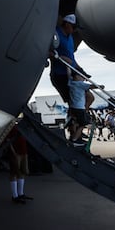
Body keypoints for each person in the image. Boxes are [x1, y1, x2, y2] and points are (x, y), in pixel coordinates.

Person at [50, 14, 94, 143]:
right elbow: (49, 52)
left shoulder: (70, 38)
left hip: (72, 74)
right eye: (74, 27)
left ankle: (78, 122)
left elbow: (72, 59)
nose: (75, 30)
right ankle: (74, 134)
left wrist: (81, 70)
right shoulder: (56, 34)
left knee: (89, 98)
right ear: (67, 24)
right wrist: (62, 59)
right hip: (61, 75)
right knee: (74, 105)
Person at [3, 127, 30, 203]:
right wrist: (13, 152)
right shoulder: (11, 127)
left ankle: (20, 194)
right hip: (16, 153)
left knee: (22, 172)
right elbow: (8, 141)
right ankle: (15, 196)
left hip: (23, 152)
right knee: (14, 172)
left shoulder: (20, 126)